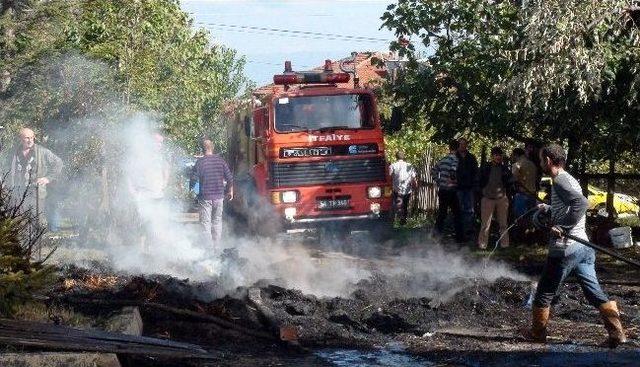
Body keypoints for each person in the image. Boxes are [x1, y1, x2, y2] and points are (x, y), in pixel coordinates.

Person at [525, 143, 626, 348]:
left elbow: (581, 204)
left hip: (565, 249)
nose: (540, 162)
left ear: (548, 160)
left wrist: (563, 226)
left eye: (541, 158)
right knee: (593, 291)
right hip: (583, 249)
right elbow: (570, 205)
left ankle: (537, 334)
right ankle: (617, 333)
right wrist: (550, 208)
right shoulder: (567, 178)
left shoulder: (560, 180)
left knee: (544, 291)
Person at [1, 128, 63, 230]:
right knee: (18, 221)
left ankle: (36, 244)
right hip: (17, 192)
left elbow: (58, 163)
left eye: (32, 137)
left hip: (36, 193)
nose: (30, 140)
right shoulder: (14, 152)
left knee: (36, 220)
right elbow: (7, 168)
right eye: (27, 138)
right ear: (21, 139)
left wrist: (48, 178)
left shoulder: (42, 151)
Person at [127, 132, 170, 251]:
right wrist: (132, 190)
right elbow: (130, 173)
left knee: (157, 222)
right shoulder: (141, 156)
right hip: (144, 196)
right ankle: (142, 249)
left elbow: (166, 169)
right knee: (144, 222)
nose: (160, 145)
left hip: (158, 196)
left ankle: (153, 248)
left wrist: (165, 183)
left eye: (161, 143)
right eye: (158, 142)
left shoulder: (161, 157)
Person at [194, 139, 233, 247]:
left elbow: (193, 180)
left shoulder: (200, 162)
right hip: (219, 197)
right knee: (217, 222)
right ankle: (216, 247)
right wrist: (230, 190)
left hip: (205, 197)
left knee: (205, 223)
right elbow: (230, 178)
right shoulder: (220, 161)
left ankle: (208, 250)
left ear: (202, 149)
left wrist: (193, 192)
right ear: (213, 148)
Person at [477, 147, 513, 249]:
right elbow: (478, 181)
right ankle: (482, 245)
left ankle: (505, 245)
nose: (498, 157)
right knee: (485, 224)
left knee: (503, 224)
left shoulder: (505, 169)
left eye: (500, 155)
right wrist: (480, 193)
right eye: (496, 155)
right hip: (487, 198)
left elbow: (510, 182)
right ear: (492, 156)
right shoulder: (485, 168)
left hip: (501, 198)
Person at [431, 140, 463, 242]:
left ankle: (436, 235)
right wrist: (454, 180)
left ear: (449, 148)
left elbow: (433, 171)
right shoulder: (455, 159)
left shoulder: (443, 160)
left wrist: (439, 181)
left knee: (442, 213)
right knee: (457, 213)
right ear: (457, 148)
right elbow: (453, 171)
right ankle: (459, 237)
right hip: (451, 190)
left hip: (443, 190)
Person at [455, 137, 478, 239]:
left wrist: (474, 184)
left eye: (464, 144)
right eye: (461, 144)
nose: (462, 146)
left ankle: (469, 230)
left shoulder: (471, 157)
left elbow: (476, 172)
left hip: (469, 187)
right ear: (458, 145)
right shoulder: (454, 157)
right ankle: (458, 231)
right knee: (458, 209)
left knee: (470, 210)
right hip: (458, 187)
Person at [389, 151, 416, 226]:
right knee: (405, 205)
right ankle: (403, 221)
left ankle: (399, 221)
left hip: (397, 190)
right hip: (407, 190)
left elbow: (389, 178)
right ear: (403, 157)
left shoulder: (392, 166)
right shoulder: (409, 166)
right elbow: (413, 178)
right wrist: (415, 186)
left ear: (396, 157)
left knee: (398, 205)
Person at [511, 147, 538, 218]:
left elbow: (513, 179)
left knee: (520, 219)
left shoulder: (516, 165)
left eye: (512, 155)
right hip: (532, 195)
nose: (511, 157)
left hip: (521, 195)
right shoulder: (532, 164)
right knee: (531, 219)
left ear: (516, 155)